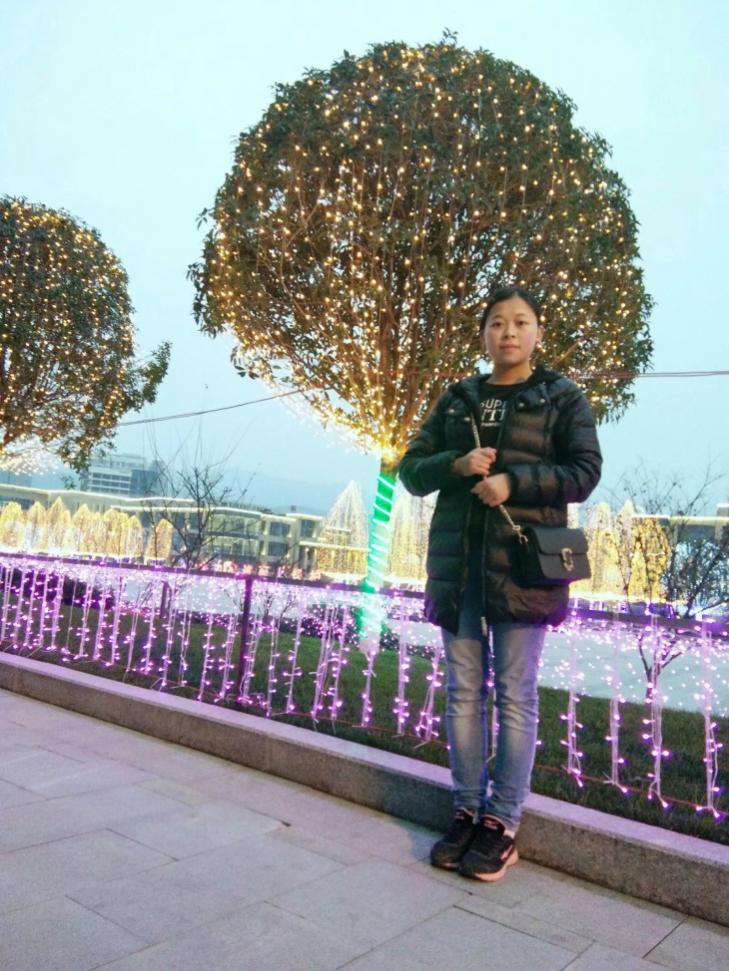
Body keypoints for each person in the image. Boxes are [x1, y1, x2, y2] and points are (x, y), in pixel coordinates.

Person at [397, 285, 602, 882]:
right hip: (460, 568)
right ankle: (465, 810)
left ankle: (502, 823)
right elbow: (411, 470)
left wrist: (515, 482)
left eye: (520, 322)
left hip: (522, 568)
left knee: (515, 693)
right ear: (484, 334)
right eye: (496, 323)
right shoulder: (459, 398)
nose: (508, 332)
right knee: (463, 692)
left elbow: (584, 472)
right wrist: (456, 465)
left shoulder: (561, 397)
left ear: (538, 331)